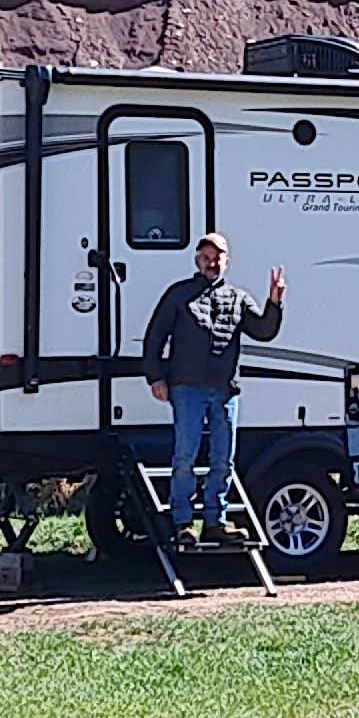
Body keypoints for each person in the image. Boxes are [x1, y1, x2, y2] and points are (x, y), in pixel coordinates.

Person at [140, 230, 285, 546]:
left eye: (217, 258)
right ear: (197, 261)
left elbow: (263, 331)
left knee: (223, 460)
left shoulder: (238, 298)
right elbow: (155, 338)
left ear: (226, 262)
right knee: (185, 458)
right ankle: (182, 523)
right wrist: (155, 378)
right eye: (206, 258)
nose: (211, 263)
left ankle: (215, 523)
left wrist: (274, 302)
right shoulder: (178, 295)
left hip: (224, 391)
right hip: (186, 389)